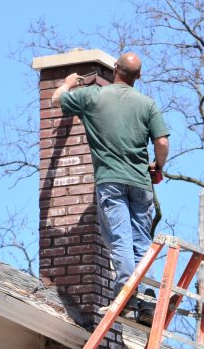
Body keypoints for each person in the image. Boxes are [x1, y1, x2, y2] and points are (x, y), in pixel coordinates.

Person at [51, 52, 169, 324]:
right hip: (141, 184)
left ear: (116, 69)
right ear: (138, 76)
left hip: (111, 182)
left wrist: (69, 82)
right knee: (142, 244)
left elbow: (56, 99)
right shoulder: (147, 104)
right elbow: (162, 144)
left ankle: (126, 296)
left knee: (121, 241)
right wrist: (157, 166)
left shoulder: (93, 96)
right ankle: (146, 304)